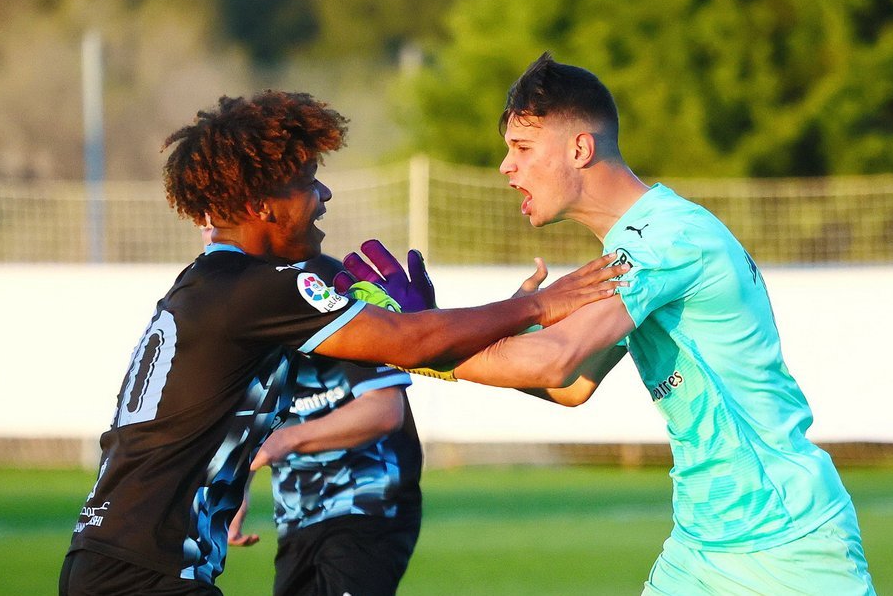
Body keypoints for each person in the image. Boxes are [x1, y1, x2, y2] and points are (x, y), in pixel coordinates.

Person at [59, 90, 624, 596]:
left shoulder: (216, 285)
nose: (323, 194)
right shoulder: (258, 291)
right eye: (306, 181)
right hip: (141, 575)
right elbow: (410, 343)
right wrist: (539, 305)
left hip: (117, 562)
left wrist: (455, 322)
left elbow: (411, 346)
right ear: (261, 206)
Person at [407, 54, 875, 595]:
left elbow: (554, 361)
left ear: (580, 149)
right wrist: (444, 341)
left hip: (784, 545)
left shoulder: (664, 241)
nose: (505, 167)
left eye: (522, 148)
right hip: (703, 546)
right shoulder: (638, 242)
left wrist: (417, 341)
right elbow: (573, 382)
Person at [229, 254, 423, 596]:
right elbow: (251, 407)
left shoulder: (329, 283)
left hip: (366, 502)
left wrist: (284, 441)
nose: (209, 230)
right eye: (203, 221)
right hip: (296, 515)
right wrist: (236, 488)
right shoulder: (230, 297)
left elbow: (383, 409)